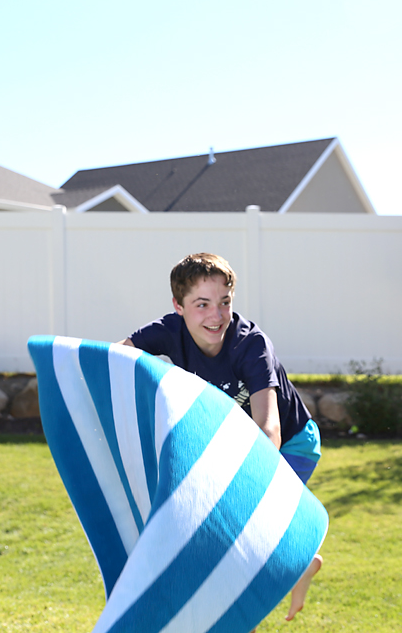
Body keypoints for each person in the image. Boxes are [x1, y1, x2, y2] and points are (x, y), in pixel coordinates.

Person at [122, 250, 323, 620]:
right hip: (233, 440)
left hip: (292, 443)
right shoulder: (168, 331)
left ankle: (290, 562)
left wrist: (238, 486)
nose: (216, 315)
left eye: (224, 302)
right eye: (202, 304)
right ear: (178, 306)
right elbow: (115, 359)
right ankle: (301, 559)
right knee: (225, 538)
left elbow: (270, 428)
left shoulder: (250, 345)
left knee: (239, 541)